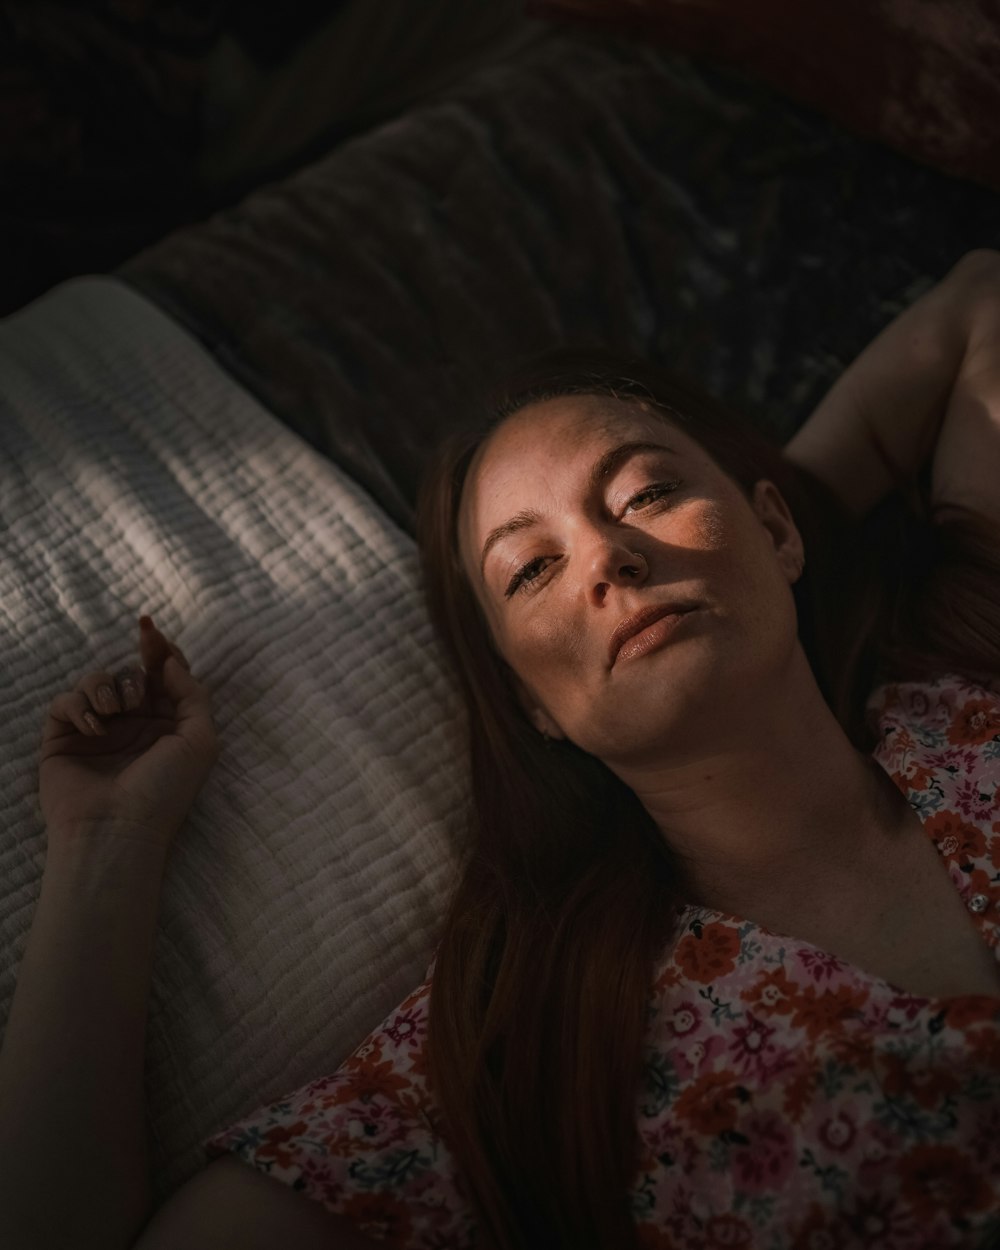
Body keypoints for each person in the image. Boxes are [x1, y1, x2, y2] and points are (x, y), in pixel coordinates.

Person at [4, 248, 1000, 1250]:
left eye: (646, 492)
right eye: (531, 569)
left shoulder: (972, 680)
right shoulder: (544, 1048)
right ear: (532, 703)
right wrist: (106, 845)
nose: (607, 554)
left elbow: (978, 300)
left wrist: (753, 552)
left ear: (776, 528)